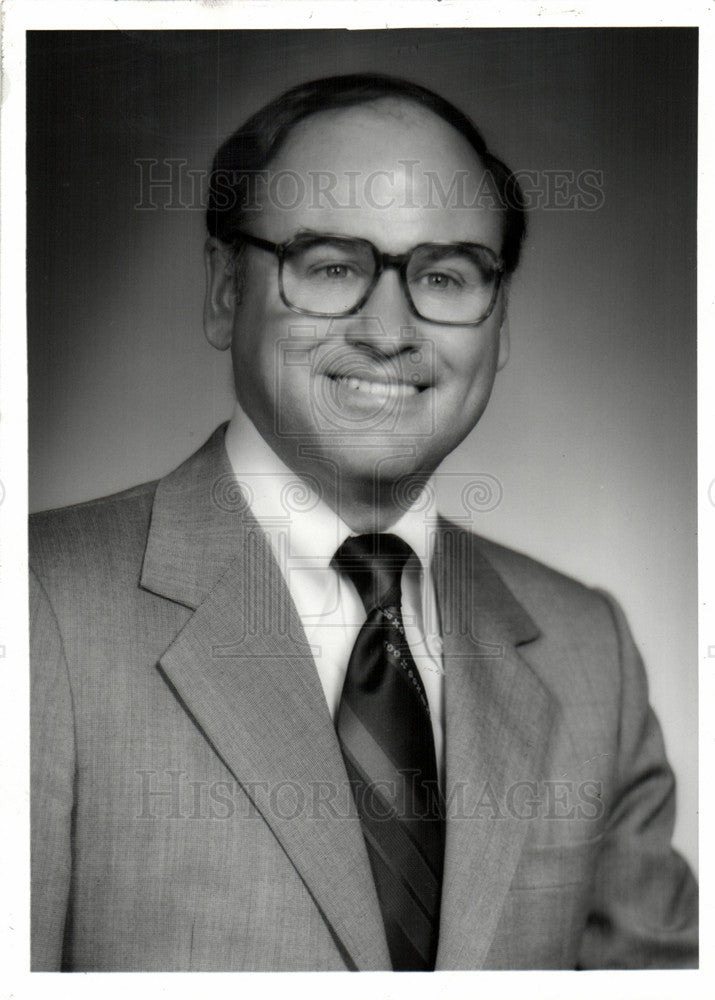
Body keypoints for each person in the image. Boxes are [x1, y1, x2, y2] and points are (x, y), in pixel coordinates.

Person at [29, 73, 698, 971]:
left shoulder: (588, 652)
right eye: (334, 266)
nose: (390, 329)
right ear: (228, 289)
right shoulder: (36, 610)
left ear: (497, 328)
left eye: (446, 275)